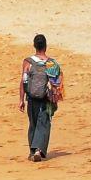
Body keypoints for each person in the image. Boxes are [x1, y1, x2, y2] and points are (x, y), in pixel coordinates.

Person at [19, 33, 63, 161]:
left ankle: (32, 151)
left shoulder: (28, 62)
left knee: (33, 123)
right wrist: (54, 100)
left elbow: (23, 81)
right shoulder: (51, 63)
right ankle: (38, 150)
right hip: (46, 99)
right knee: (43, 123)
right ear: (45, 46)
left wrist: (21, 100)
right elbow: (56, 84)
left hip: (31, 97)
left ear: (34, 46)